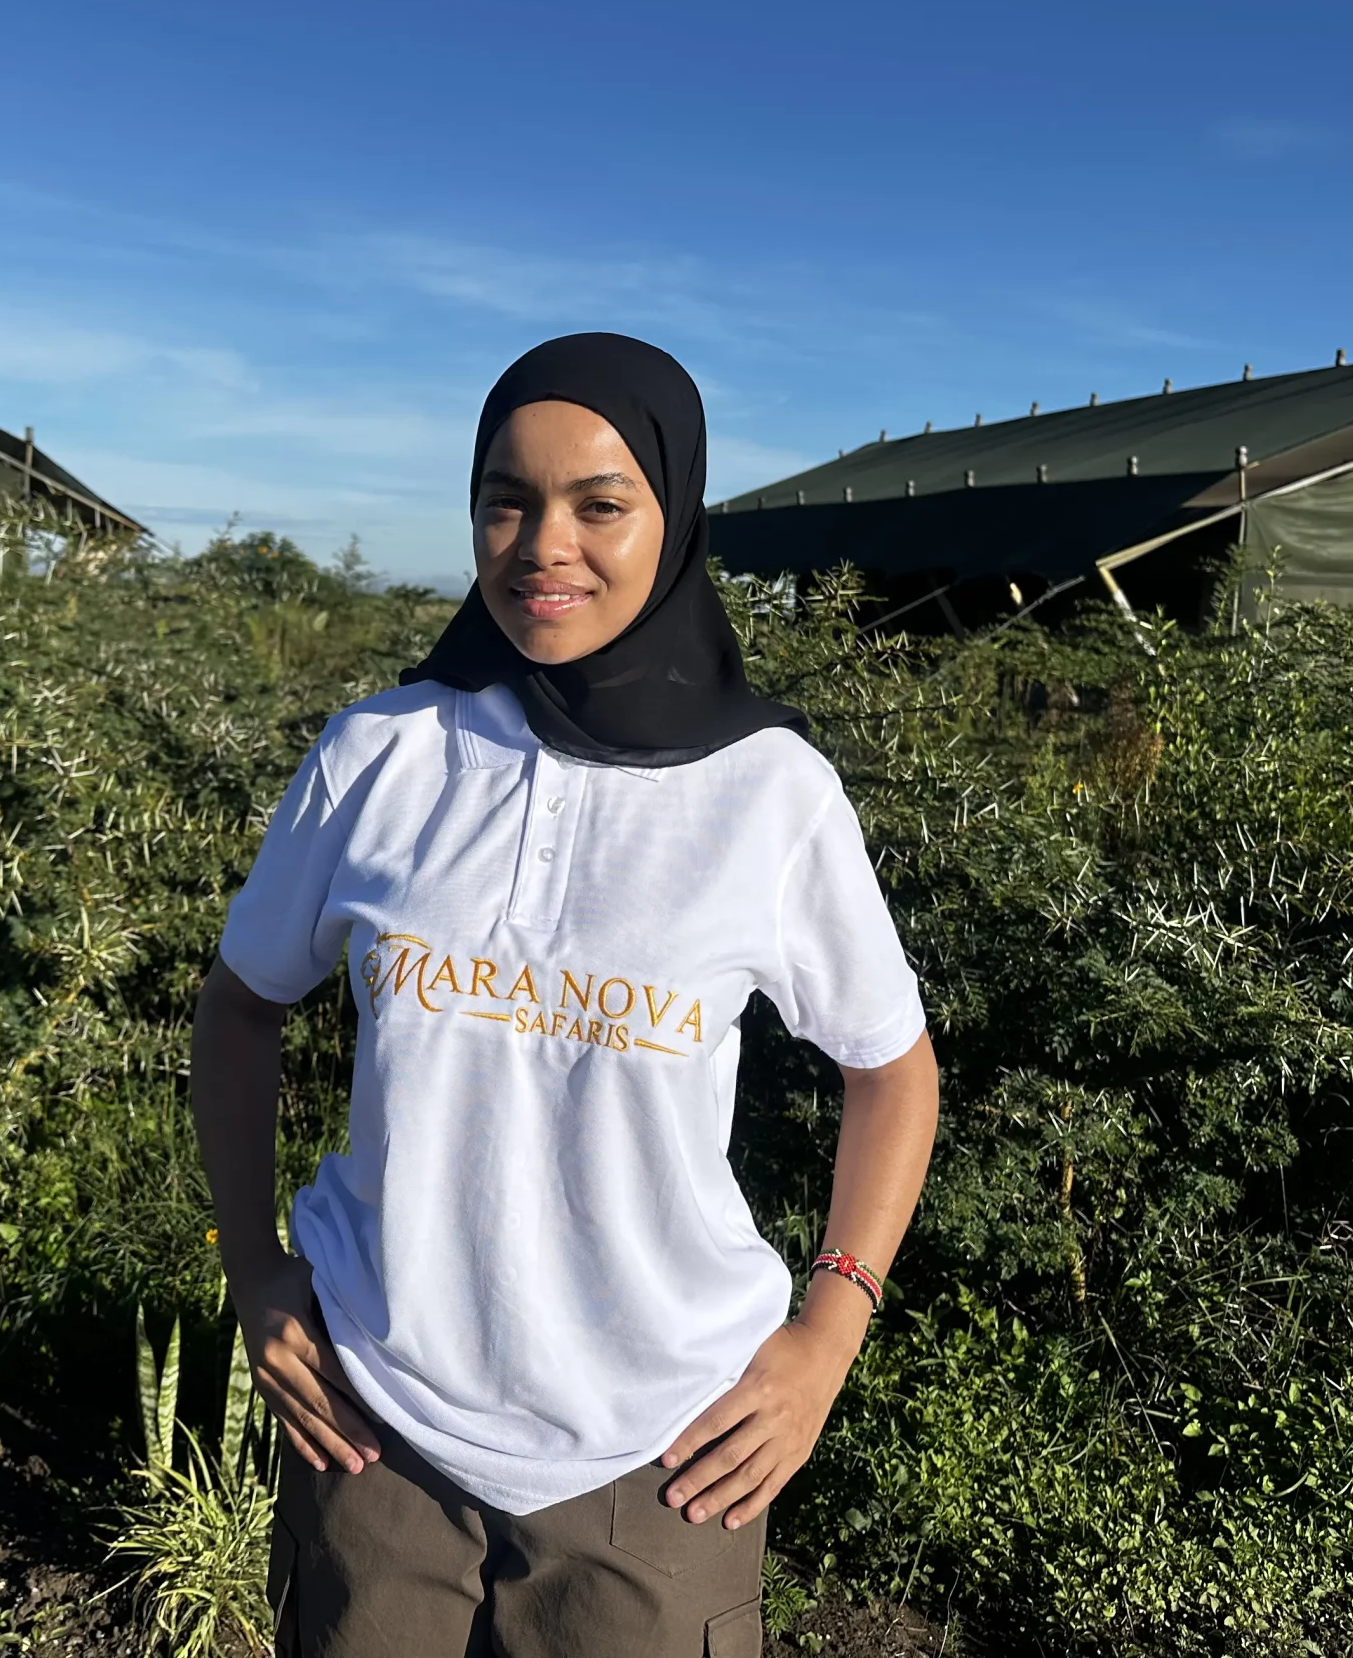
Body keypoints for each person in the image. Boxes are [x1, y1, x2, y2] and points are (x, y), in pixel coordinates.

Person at [192, 333, 939, 1658]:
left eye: (601, 505)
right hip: (373, 1432)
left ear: (677, 517)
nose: (544, 544)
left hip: (661, 1459)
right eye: (505, 499)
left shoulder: (768, 792)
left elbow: (891, 1069)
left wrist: (829, 1328)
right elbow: (242, 1004)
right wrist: (255, 1269)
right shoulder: (383, 752)